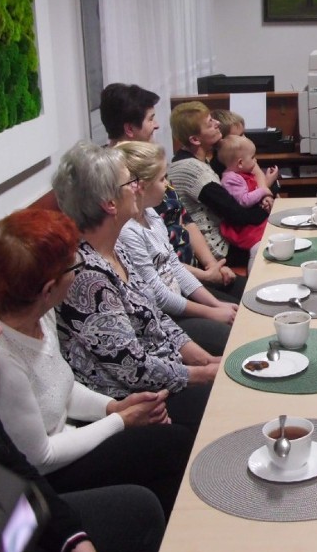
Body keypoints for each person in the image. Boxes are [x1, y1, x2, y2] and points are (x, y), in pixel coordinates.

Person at [0, 209, 194, 518]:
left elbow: (62, 389)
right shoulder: (2, 362)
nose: (80, 271)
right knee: (170, 446)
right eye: (73, 265)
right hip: (47, 479)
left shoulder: (41, 314)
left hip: (72, 437)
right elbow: (41, 457)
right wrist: (121, 420)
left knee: (169, 440)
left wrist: (113, 407)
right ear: (48, 289)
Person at [0, 267, 164, 552]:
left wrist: (76, 542)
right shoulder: (0, 366)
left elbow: (15, 468)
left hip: (13, 528)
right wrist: (118, 419)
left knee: (141, 510)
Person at [52, 140, 218, 433]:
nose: (139, 188)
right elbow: (133, 369)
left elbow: (155, 315)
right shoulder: (87, 278)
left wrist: (200, 357)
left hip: (164, 374)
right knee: (227, 403)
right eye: (131, 182)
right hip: (133, 401)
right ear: (109, 203)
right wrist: (200, 374)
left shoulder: (114, 248)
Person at [100, 83, 242, 297]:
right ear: (130, 129)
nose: (157, 125)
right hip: (172, 285)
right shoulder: (120, 181)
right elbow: (152, 259)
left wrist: (212, 265)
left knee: (251, 292)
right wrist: (205, 276)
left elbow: (183, 217)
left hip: (195, 271)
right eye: (150, 119)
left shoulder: (152, 162)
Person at [117, 141, 237, 356]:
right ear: (141, 186)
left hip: (179, 300)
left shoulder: (151, 214)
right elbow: (159, 295)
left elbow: (175, 267)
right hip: (165, 317)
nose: (168, 185)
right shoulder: (127, 232)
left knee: (239, 312)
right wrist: (211, 313)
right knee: (233, 337)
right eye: (162, 179)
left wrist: (215, 304)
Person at [168, 102, 271, 268]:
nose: (217, 124)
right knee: (278, 247)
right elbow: (236, 215)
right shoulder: (191, 169)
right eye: (210, 123)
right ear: (195, 139)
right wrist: (267, 210)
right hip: (219, 249)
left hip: (229, 236)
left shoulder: (202, 161)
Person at [216, 135, 276, 270]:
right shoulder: (231, 179)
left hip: (255, 221)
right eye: (253, 157)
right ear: (240, 163)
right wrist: (264, 190)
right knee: (258, 248)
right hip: (245, 229)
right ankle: (253, 273)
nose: (256, 160)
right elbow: (244, 200)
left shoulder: (244, 173)